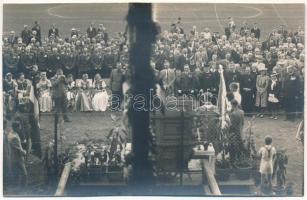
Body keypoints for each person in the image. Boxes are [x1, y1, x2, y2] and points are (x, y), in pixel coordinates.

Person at [8, 121, 28, 193]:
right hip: (17, 158)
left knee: (16, 174)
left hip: (13, 157)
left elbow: (15, 145)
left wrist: (21, 143)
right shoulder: (14, 137)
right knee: (24, 174)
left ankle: (17, 189)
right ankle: (22, 190)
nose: (20, 128)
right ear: (16, 127)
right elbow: (18, 149)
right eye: (19, 127)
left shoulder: (11, 133)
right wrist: (24, 152)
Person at [228, 99, 244, 167]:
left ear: (232, 105)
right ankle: (239, 160)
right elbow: (243, 123)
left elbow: (232, 126)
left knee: (233, 148)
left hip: (234, 133)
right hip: (240, 131)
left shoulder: (233, 114)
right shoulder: (242, 112)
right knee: (240, 147)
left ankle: (233, 162)